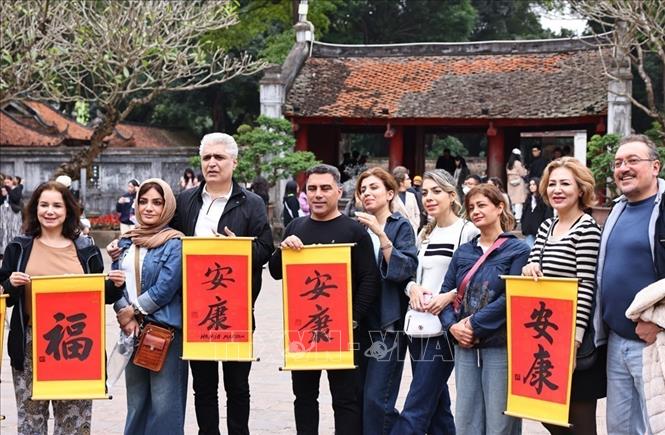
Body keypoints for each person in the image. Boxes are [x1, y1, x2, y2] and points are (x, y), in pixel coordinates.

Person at [168, 132, 274, 435]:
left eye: (219, 157)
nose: (212, 164)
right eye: (206, 158)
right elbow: (168, 245)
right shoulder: (185, 201)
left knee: (238, 385)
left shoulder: (252, 203)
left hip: (235, 308)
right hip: (197, 310)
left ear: (234, 162)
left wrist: (237, 248)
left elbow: (265, 249)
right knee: (203, 387)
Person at [0, 181, 124, 434]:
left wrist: (115, 284)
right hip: (30, 345)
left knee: (74, 423)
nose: (50, 211)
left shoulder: (86, 248)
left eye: (57, 205)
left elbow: (99, 295)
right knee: (30, 422)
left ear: (68, 210)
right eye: (44, 205)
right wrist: (10, 284)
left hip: (76, 345)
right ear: (35, 209)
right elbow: (6, 296)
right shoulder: (19, 247)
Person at [268, 164, 380, 435]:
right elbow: (274, 272)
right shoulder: (296, 226)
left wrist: (352, 317)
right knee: (304, 397)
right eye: (312, 189)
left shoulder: (354, 231)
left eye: (325, 188)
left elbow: (370, 279)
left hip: (342, 330)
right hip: (304, 330)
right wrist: (284, 249)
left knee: (346, 399)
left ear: (338, 191)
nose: (318, 194)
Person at [392, 169, 479, 434]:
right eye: (425, 192)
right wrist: (411, 288)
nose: (429, 197)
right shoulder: (425, 234)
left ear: (452, 195)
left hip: (445, 327)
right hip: (419, 325)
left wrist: (449, 296)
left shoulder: (468, 231)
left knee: (417, 403)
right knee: (436, 403)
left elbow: (478, 279)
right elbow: (411, 276)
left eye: (437, 191)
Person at [521, 158, 604, 434]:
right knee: (546, 413)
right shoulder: (546, 227)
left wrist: (575, 341)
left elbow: (586, 286)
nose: (557, 189)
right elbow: (531, 267)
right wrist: (529, 267)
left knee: (579, 422)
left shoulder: (587, 229)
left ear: (580, 189)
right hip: (544, 336)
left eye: (565, 184)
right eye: (552, 183)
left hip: (572, 337)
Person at [441, 184, 530, 435]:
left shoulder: (518, 249)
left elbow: (512, 296)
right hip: (464, 344)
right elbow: (447, 292)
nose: (476, 211)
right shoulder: (464, 251)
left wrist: (473, 324)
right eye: (471, 208)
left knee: (500, 417)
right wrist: (453, 327)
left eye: (482, 205)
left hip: (500, 343)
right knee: (466, 415)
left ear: (500, 207)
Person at [593, 134, 665, 435]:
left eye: (633, 160)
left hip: (655, 340)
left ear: (655, 166)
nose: (623, 168)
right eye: (618, 163)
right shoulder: (616, 211)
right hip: (617, 341)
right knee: (619, 427)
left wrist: (660, 323)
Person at [111, 178, 188, 435]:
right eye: (143, 201)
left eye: (157, 202)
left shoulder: (174, 242)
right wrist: (124, 314)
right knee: (136, 400)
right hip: (132, 331)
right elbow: (115, 281)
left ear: (167, 207)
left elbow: (166, 287)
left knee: (165, 404)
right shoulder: (127, 241)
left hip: (163, 331)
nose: (149, 208)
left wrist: (133, 311)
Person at [353, 167, 418, 435]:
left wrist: (381, 235)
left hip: (387, 323)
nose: (367, 193)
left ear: (390, 193)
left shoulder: (400, 226)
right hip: (357, 321)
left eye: (374, 188)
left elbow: (406, 269)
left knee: (378, 399)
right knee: (357, 396)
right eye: (363, 189)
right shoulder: (355, 228)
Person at [520, 177, 552, 248]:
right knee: (529, 250)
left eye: (534, 184)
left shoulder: (544, 199)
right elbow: (524, 214)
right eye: (530, 185)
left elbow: (548, 215)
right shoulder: (528, 199)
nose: (531, 186)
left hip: (541, 232)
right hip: (529, 231)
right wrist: (524, 225)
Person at [392, 166, 420, 235]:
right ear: (401, 182)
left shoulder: (412, 195)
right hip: (399, 232)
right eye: (407, 179)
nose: (410, 181)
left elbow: (417, 213)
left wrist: (416, 225)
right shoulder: (392, 197)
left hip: (413, 230)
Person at [506, 148, 528, 222]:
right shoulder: (518, 163)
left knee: (512, 200)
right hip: (518, 182)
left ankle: (513, 215)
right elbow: (522, 173)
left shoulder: (508, 164)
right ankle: (518, 217)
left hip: (510, 182)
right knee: (519, 200)